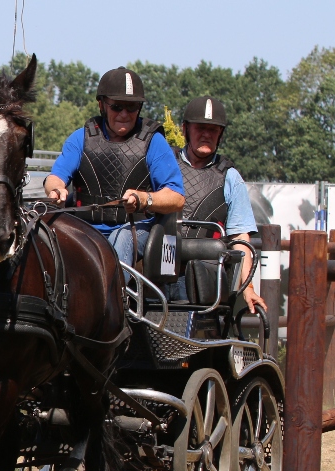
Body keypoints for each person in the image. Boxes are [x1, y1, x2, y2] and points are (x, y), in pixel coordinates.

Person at [43, 67, 184, 266]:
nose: (124, 114)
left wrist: (144, 199)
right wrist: (56, 189)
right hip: (85, 227)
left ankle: (115, 286)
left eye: (131, 107)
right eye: (117, 107)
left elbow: (176, 198)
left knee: (122, 237)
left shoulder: (154, 142)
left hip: (136, 230)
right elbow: (55, 177)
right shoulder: (80, 138)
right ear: (102, 105)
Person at [177, 95, 266, 313]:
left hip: (206, 275)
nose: (206, 134)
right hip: (162, 268)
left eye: (213, 130)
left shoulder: (231, 177)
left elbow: (240, 237)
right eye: (200, 128)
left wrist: (248, 288)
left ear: (221, 134)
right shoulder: (165, 165)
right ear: (185, 129)